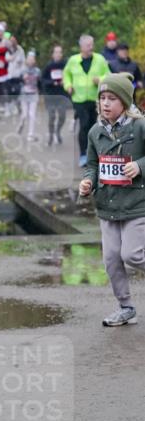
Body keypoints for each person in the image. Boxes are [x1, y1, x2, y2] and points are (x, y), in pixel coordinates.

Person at [78, 72, 145, 326]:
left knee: (132, 255)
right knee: (111, 259)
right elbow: (92, 166)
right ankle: (126, 308)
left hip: (137, 205)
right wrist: (87, 182)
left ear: (125, 103)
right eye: (102, 98)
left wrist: (139, 166)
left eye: (112, 98)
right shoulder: (95, 131)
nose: (105, 103)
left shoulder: (140, 127)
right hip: (107, 207)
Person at [63, 34, 110, 166]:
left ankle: (94, 155)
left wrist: (100, 80)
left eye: (92, 44)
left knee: (94, 127)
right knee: (84, 126)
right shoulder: (73, 60)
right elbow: (66, 74)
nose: (91, 47)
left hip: (95, 99)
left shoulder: (100, 59)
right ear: (81, 47)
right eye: (88, 45)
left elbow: (108, 75)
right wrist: (68, 85)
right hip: (78, 99)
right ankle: (83, 155)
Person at [41, 43, 68, 145]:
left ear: (62, 54)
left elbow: (70, 76)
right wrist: (53, 82)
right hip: (50, 95)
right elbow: (43, 80)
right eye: (56, 52)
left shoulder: (66, 65)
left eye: (59, 52)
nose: (58, 54)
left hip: (61, 95)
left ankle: (58, 131)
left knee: (62, 116)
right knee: (52, 116)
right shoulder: (48, 66)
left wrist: (65, 82)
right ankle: (51, 134)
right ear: (52, 54)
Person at [17, 51, 41, 141]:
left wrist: (40, 91)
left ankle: (30, 134)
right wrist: (22, 80)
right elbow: (18, 82)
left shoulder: (38, 71)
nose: (30, 61)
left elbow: (40, 83)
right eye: (29, 59)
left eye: (32, 59)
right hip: (24, 95)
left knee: (32, 114)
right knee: (24, 114)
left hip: (34, 94)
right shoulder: (22, 71)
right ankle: (21, 124)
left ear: (34, 61)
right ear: (26, 60)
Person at [5, 35, 26, 116]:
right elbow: (7, 59)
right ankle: (8, 108)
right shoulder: (7, 50)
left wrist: (22, 72)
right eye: (11, 41)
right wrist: (12, 58)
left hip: (17, 75)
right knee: (8, 92)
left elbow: (23, 62)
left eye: (14, 41)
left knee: (17, 91)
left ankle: (14, 106)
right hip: (8, 75)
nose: (12, 42)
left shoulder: (20, 50)